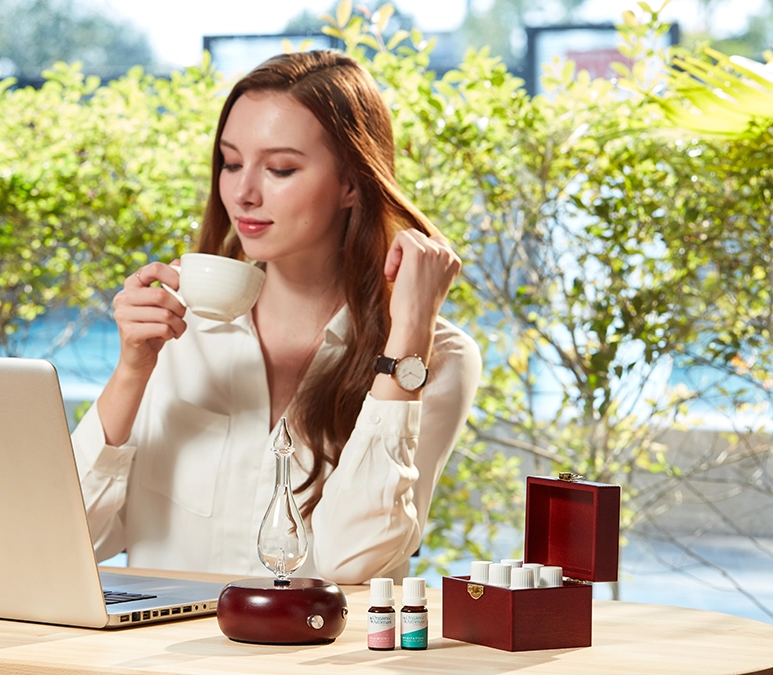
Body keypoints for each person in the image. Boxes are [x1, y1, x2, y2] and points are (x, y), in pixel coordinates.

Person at [70, 50, 481, 585]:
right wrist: (130, 372)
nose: (243, 193)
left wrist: (407, 339)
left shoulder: (435, 358)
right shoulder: (178, 332)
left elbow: (354, 562)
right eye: (232, 163)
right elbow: (74, 537)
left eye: (281, 168)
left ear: (352, 184)